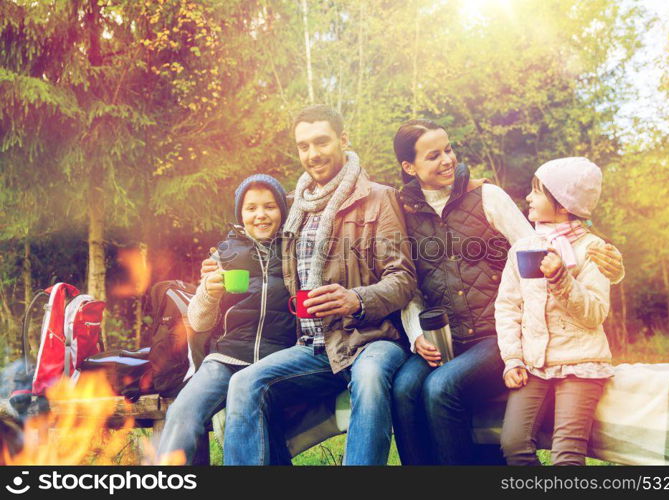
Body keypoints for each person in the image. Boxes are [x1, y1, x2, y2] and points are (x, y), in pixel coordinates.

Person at [391, 119, 624, 465]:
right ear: (409, 167)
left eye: (449, 149)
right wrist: (415, 336)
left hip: (495, 336)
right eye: (433, 155)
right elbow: (408, 284)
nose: (447, 160)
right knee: (404, 389)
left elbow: (534, 248)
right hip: (445, 337)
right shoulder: (405, 213)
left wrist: (605, 267)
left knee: (440, 388)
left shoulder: (487, 195)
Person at [222, 105, 416, 465]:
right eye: (303, 146)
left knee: (371, 378)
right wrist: (217, 266)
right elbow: (256, 241)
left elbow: (403, 278)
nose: (313, 154)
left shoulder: (379, 198)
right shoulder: (297, 208)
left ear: (343, 140)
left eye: (322, 142)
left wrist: (355, 299)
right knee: (244, 384)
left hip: (373, 340)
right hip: (314, 348)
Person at [156, 174, 296, 464]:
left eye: (269, 207)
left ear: (282, 209)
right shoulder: (225, 254)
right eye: (251, 208)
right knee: (182, 413)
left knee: (253, 420)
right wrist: (208, 292)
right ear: (240, 214)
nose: (260, 215)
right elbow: (198, 321)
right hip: (226, 358)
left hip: (277, 360)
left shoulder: (295, 250)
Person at [496, 157, 614, 465]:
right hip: (534, 363)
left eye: (537, 191)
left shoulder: (593, 249)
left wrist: (562, 280)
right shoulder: (523, 247)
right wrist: (512, 359)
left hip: (581, 363)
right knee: (513, 444)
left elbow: (594, 313)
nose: (528, 198)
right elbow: (508, 307)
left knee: (567, 455)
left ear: (562, 204)